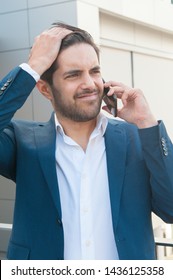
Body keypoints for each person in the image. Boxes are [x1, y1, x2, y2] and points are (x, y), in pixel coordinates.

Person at [0, 22, 173, 260]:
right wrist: (32, 67)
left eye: (94, 71)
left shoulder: (136, 138)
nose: (90, 84)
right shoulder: (21, 141)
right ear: (45, 89)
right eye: (73, 74)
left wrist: (148, 124)